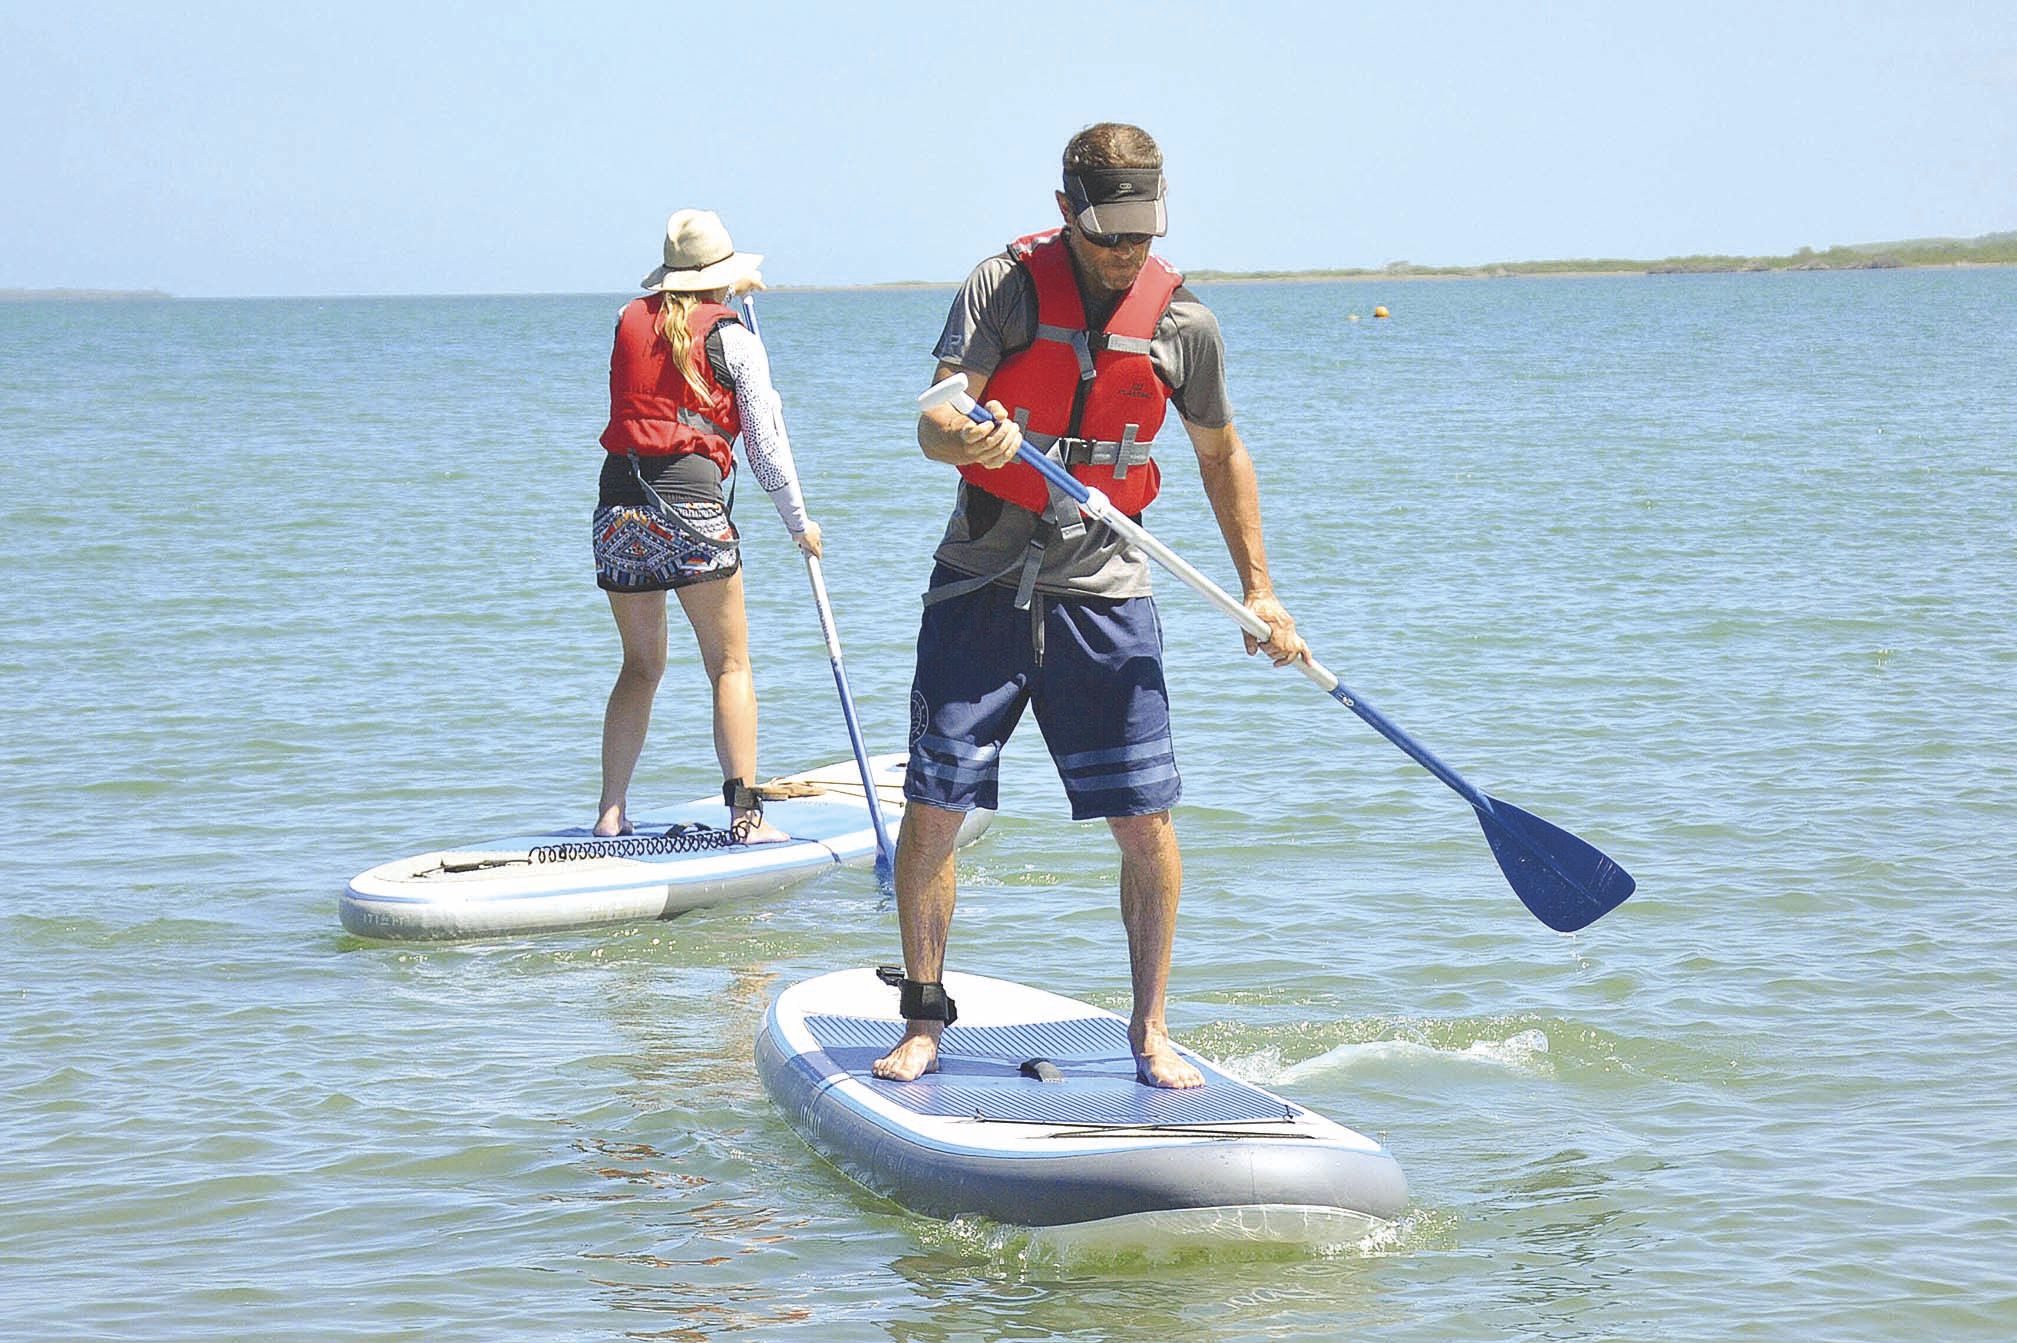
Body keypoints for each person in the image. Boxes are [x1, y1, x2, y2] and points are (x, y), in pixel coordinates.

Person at [872, 124, 1309, 1089]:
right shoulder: (1005, 286)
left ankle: (1149, 1029)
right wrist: (966, 441)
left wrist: (1258, 591)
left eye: (1142, 234)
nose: (1126, 253)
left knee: (1145, 819)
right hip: (981, 582)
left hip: (1106, 591)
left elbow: (1219, 454)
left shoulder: (1183, 323)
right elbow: (935, 414)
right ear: (1067, 209)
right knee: (934, 803)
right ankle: (923, 1019)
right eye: (1109, 232)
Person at [592, 209, 821, 842]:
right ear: (723, 279)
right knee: (730, 666)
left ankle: (611, 812)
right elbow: (766, 445)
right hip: (690, 510)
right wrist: (799, 523)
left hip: (619, 509)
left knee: (640, 666)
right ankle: (746, 815)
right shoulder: (737, 340)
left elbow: (664, 354)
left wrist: (719, 305)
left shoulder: (626, 319)